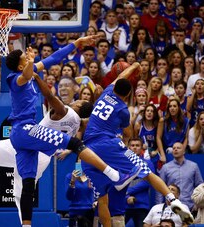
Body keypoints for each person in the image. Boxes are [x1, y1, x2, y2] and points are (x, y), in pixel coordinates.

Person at [0, 37, 137, 226]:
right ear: (22, 65)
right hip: (25, 131)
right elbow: (32, 75)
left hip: (28, 142)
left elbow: (52, 59)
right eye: (25, 58)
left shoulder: (32, 77)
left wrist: (75, 44)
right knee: (73, 145)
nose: (30, 58)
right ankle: (112, 173)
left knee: (25, 188)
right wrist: (32, 63)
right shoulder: (16, 79)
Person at [81, 67, 193, 226]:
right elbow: (127, 131)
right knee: (146, 172)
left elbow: (121, 75)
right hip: (107, 145)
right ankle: (173, 200)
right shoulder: (123, 110)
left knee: (102, 200)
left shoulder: (105, 93)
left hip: (88, 152)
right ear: (128, 94)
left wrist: (134, 66)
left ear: (114, 87)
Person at [156, 142, 203, 210]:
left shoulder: (193, 166)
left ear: (184, 151)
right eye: (174, 148)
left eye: (178, 148)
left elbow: (199, 186)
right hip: (171, 206)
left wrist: (197, 204)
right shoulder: (165, 168)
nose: (175, 149)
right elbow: (160, 188)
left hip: (190, 206)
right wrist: (159, 207)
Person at [65, 160, 94, 227]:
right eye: (79, 162)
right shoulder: (69, 176)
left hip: (89, 211)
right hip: (74, 212)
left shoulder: (91, 176)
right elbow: (69, 197)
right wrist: (73, 181)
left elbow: (98, 193)